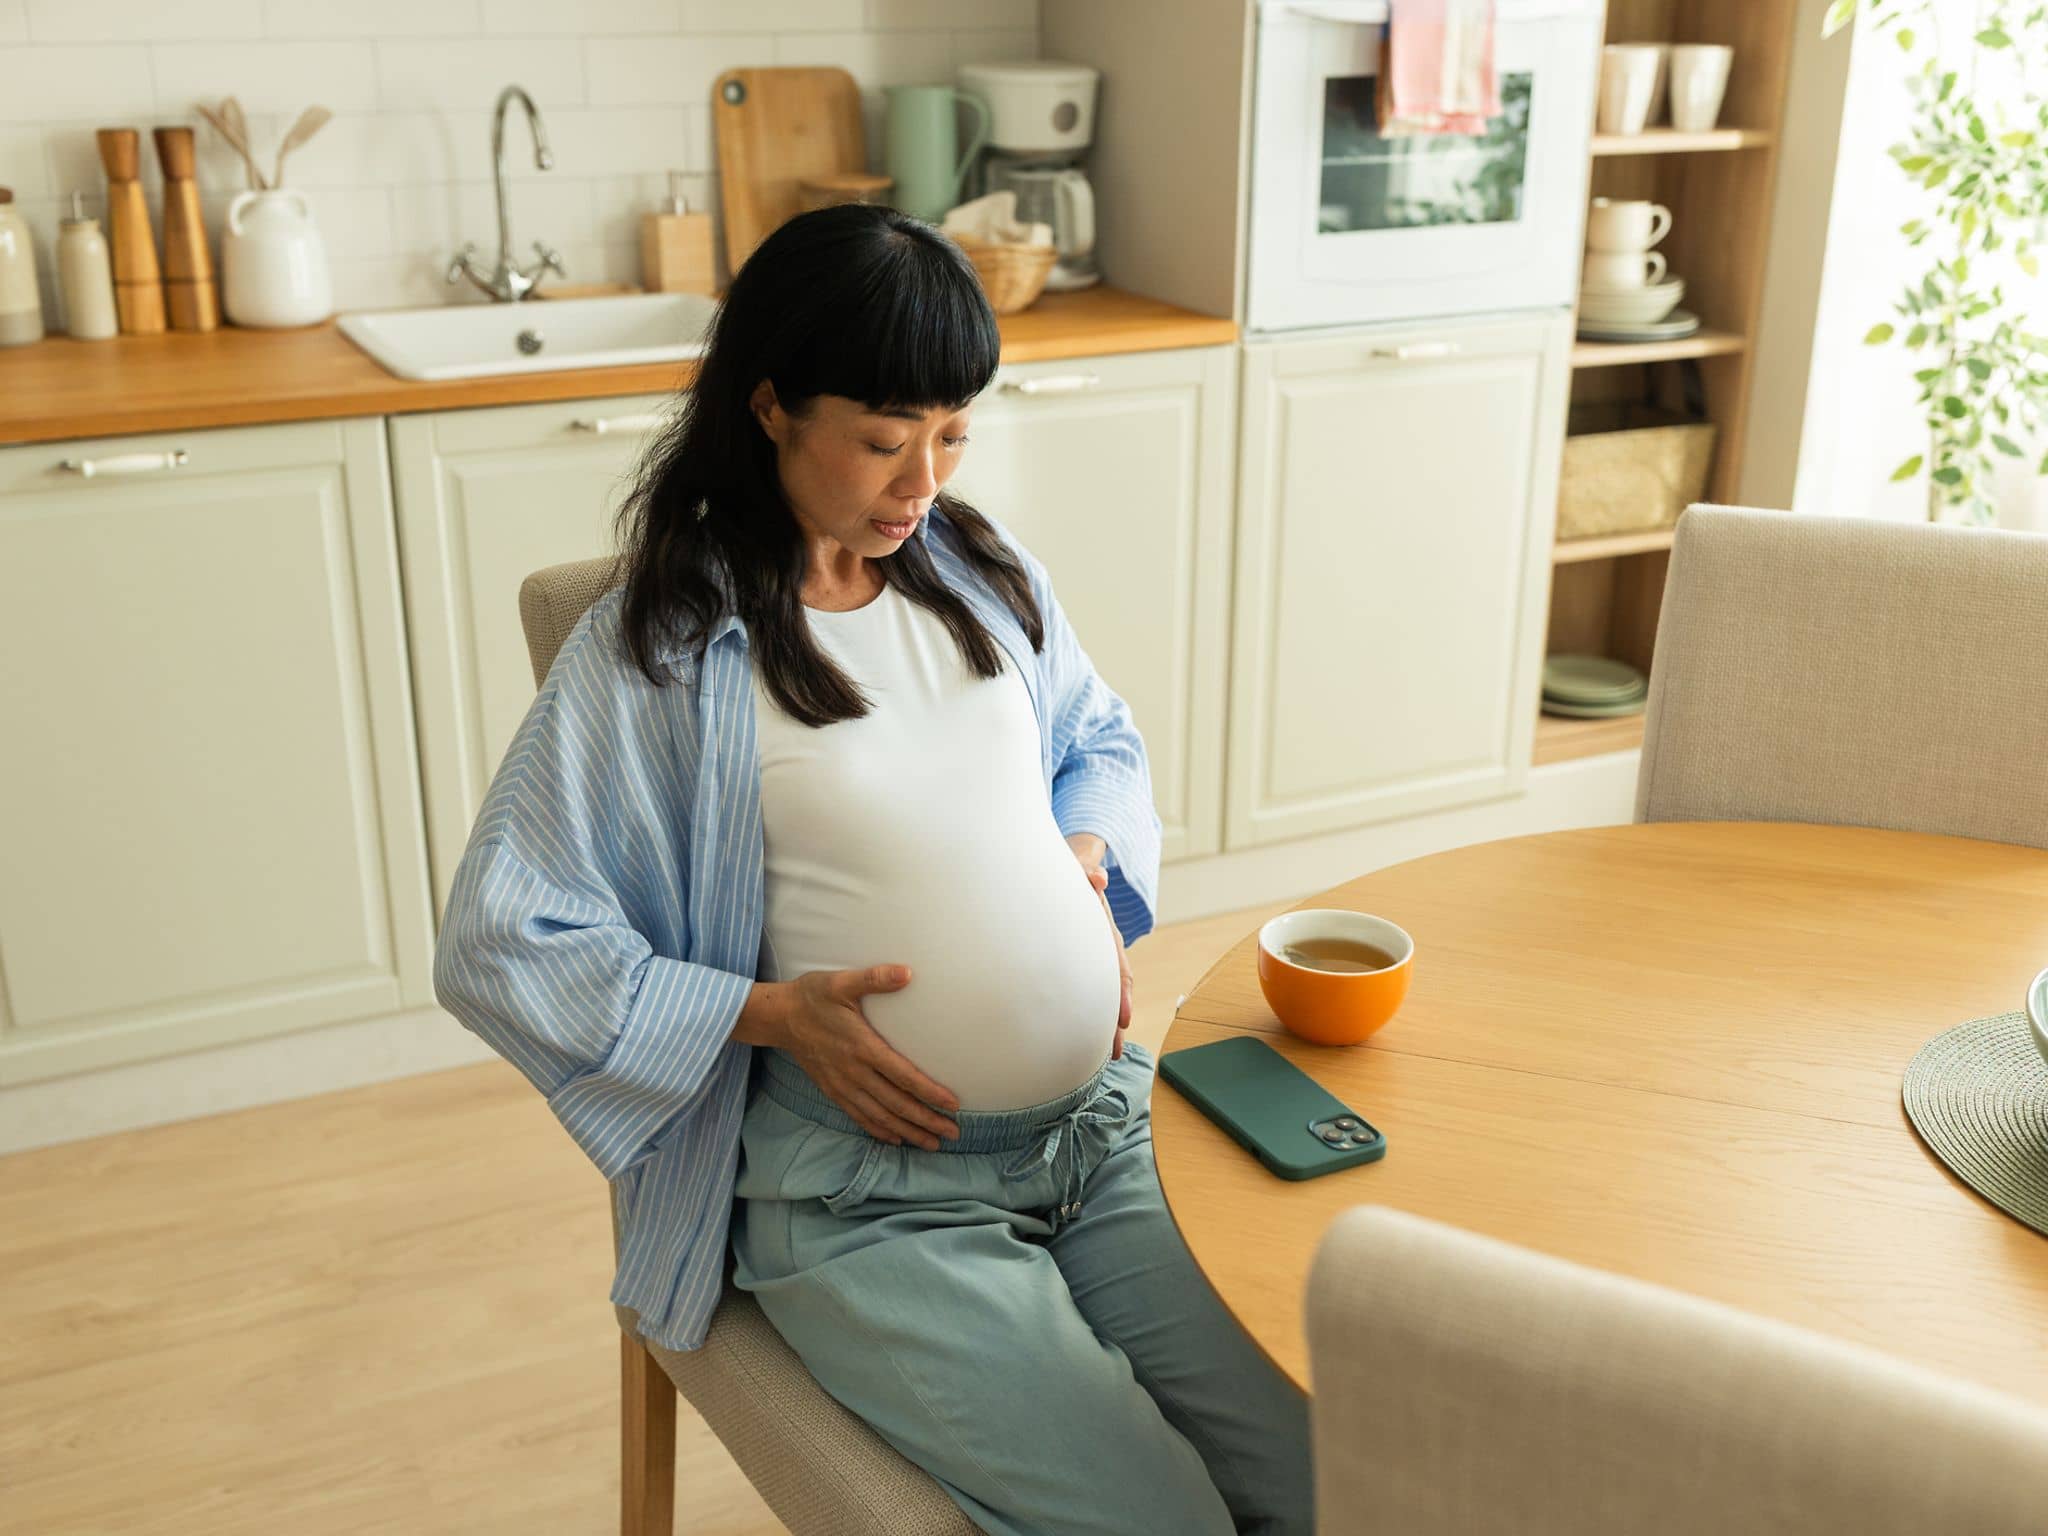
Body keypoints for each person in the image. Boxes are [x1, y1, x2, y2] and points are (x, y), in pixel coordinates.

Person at [433, 203, 1313, 1536]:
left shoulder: (979, 570)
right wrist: (767, 1014)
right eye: (887, 442)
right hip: (871, 1200)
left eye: (954, 436)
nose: (924, 485)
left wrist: (1082, 867)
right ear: (771, 408)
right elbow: (503, 939)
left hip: (1096, 1134)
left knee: (1330, 1475)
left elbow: (1099, 743)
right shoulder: (660, 652)